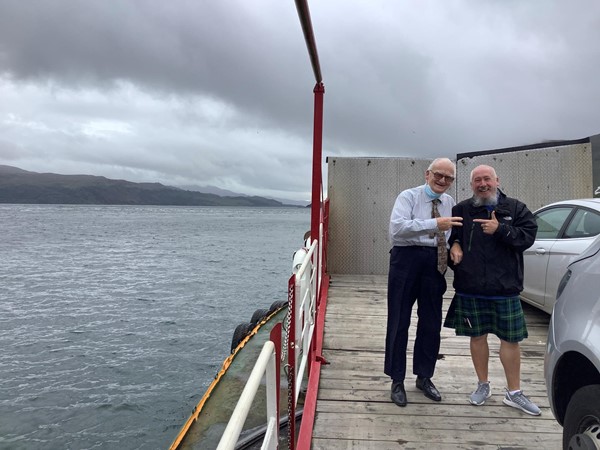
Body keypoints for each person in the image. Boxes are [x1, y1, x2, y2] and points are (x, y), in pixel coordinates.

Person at [444, 164, 541, 416]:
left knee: (510, 340)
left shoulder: (516, 208)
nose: (483, 184)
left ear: (497, 180)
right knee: (477, 338)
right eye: (477, 180)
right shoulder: (461, 209)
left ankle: (514, 393)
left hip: (505, 287)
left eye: (487, 179)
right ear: (471, 185)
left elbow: (528, 237)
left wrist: (501, 230)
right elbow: (453, 235)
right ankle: (483, 385)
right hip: (471, 286)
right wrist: (454, 244)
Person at [385, 157, 463, 407]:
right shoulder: (408, 196)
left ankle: (424, 376)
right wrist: (434, 224)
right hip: (406, 260)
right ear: (427, 174)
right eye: (438, 175)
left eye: (448, 178)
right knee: (399, 321)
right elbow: (396, 229)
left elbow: (451, 233)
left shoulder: (450, 202)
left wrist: (454, 246)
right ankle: (397, 379)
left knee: (431, 323)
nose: (442, 181)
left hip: (434, 262)